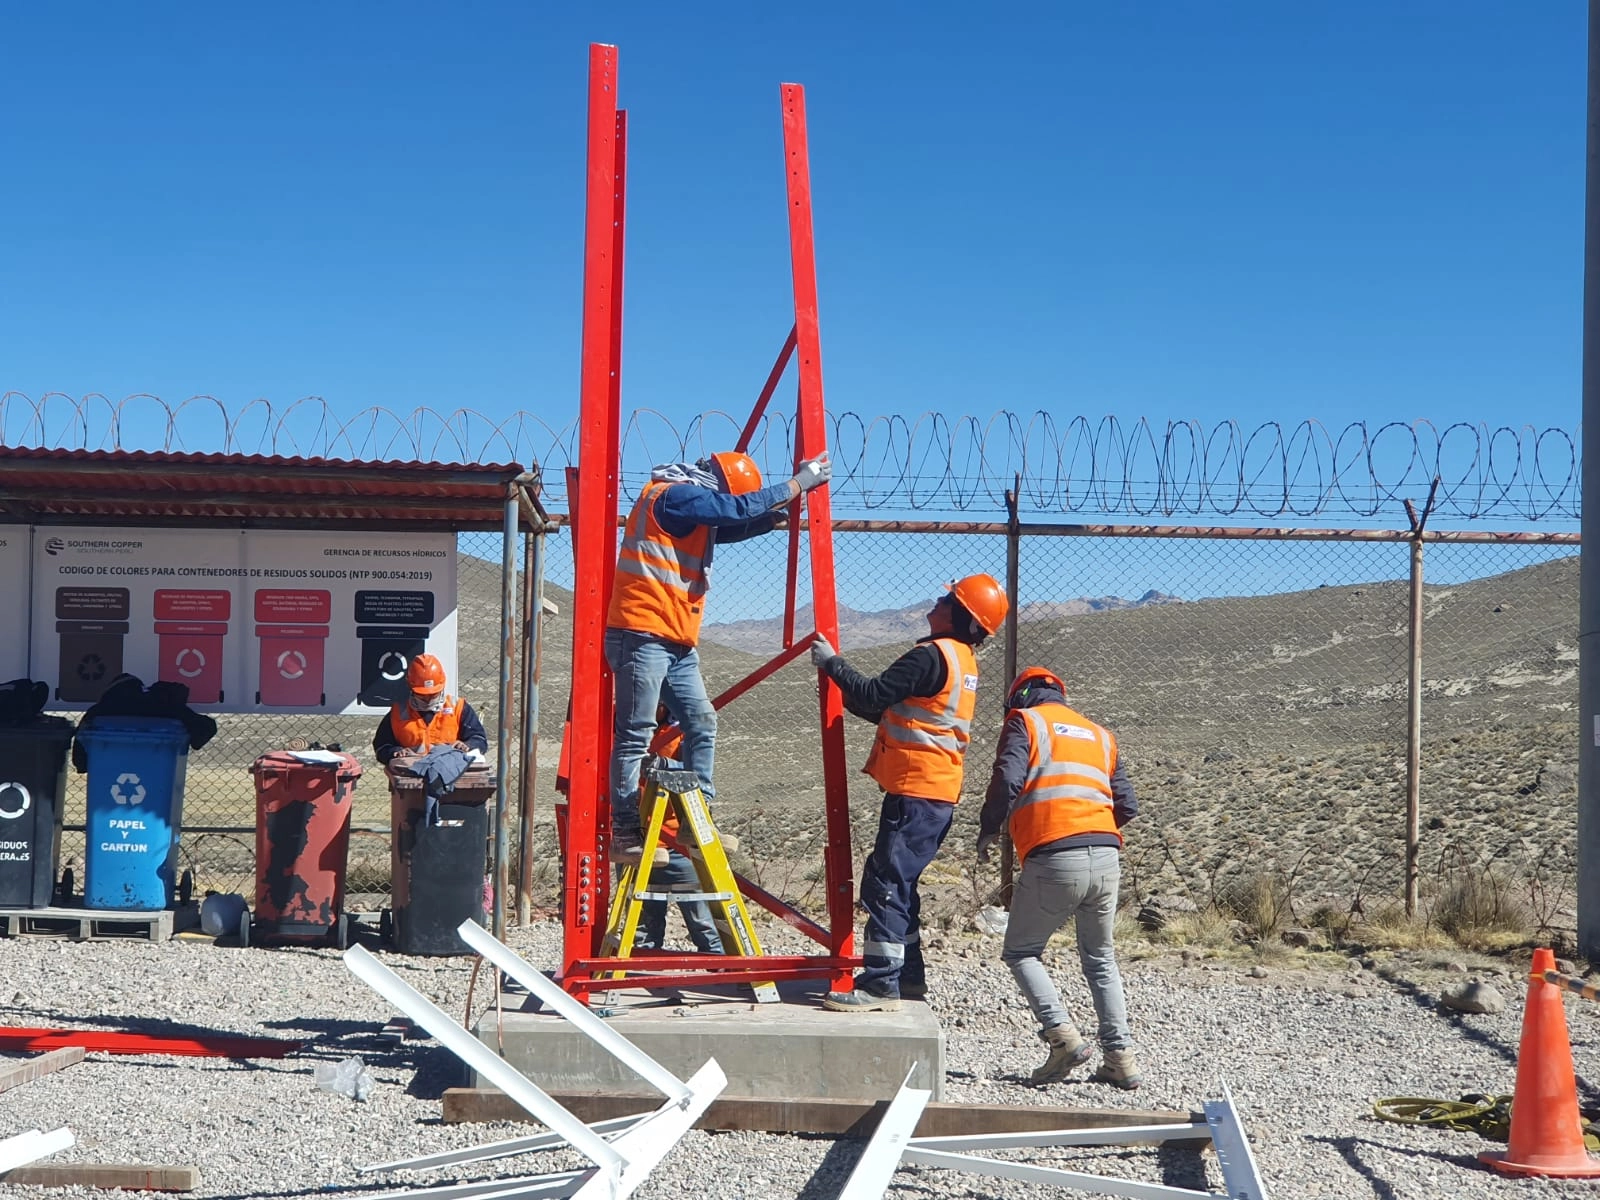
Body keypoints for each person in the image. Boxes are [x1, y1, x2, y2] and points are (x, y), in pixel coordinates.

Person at [606, 449, 831, 862]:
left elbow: (726, 524)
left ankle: (697, 820)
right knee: (636, 733)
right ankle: (624, 833)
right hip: (642, 632)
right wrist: (799, 483)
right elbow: (732, 510)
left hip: (673, 638)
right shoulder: (673, 494)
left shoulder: (687, 510)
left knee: (701, 720)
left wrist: (766, 521)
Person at [808, 573, 1009, 1012]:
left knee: (884, 883)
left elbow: (875, 693)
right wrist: (842, 683)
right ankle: (909, 976)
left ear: (961, 615)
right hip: (933, 792)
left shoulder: (931, 657)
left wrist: (832, 664)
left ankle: (881, 984)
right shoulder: (961, 662)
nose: (936, 601)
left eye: (947, 598)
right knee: (899, 883)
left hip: (917, 790)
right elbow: (878, 705)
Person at [977, 666, 1141, 1089]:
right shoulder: (1101, 735)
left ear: (1021, 697)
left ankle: (1061, 1037)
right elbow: (1126, 803)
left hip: (1054, 854)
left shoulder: (1025, 721)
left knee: (1022, 951)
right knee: (1101, 958)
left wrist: (989, 828)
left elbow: (1007, 778)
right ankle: (1119, 1058)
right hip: (1107, 855)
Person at [631, 720, 725, 955]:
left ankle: (720, 963)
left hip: (676, 838)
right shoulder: (625, 727)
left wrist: (664, 764)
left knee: (701, 918)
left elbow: (698, 772)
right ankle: (644, 968)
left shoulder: (680, 730)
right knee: (642, 923)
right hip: (638, 837)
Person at [373, 653, 489, 764]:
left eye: (433, 694)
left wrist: (468, 745)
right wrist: (395, 752)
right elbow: (381, 746)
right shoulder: (398, 712)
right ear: (411, 687)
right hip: (411, 773)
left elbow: (479, 739)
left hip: (450, 772)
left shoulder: (457, 707)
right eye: (422, 695)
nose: (428, 699)